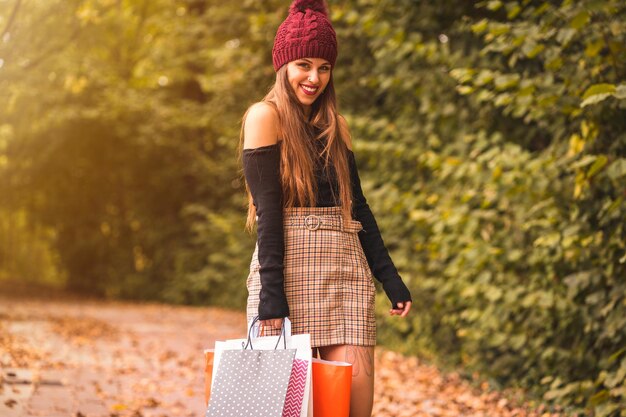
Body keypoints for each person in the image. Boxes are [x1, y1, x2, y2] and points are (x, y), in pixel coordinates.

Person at [240, 0, 412, 415]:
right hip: (288, 268)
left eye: (324, 67)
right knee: (284, 408)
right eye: (303, 64)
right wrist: (272, 299)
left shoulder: (337, 126)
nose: (314, 77)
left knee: (352, 406)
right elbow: (268, 214)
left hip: (344, 271)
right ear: (283, 67)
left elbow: (360, 209)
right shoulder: (264, 117)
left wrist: (390, 278)